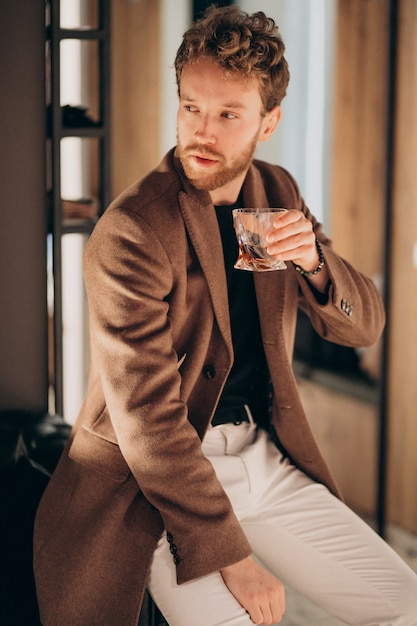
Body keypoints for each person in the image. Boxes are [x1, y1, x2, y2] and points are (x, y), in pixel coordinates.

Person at [34, 5, 417, 625]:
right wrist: (231, 556)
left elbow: (363, 327)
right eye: (191, 107)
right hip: (155, 484)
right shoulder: (131, 231)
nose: (201, 132)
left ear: (269, 122)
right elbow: (149, 422)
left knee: (406, 603)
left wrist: (316, 263)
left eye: (227, 114)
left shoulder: (278, 193)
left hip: (260, 453)